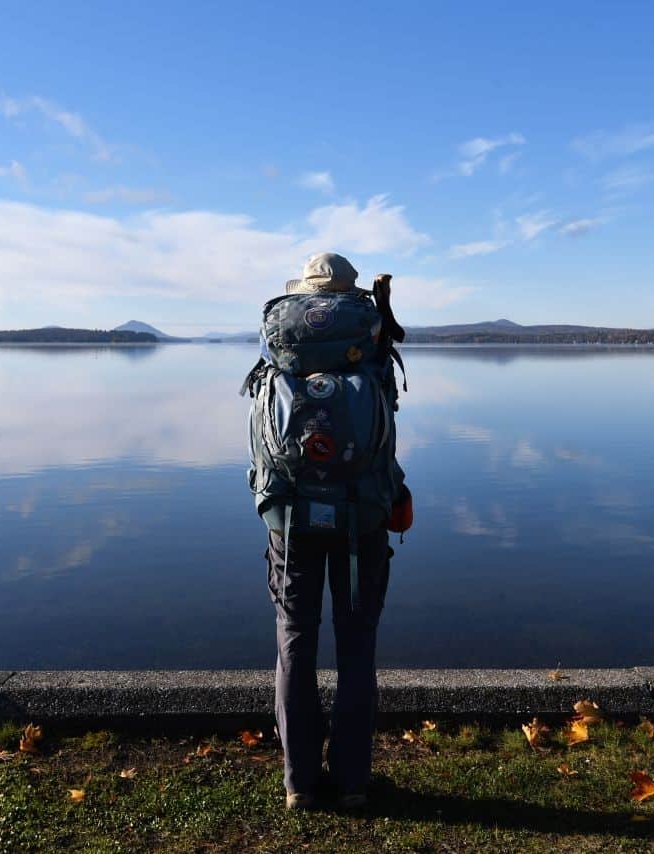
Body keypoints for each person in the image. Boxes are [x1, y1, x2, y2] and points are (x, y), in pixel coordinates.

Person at [243, 251, 412, 810]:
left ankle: (300, 785)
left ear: (303, 295)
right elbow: (385, 438)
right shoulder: (370, 344)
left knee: (295, 639)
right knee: (357, 644)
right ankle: (353, 783)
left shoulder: (281, 348)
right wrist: (397, 495)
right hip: (360, 517)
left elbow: (258, 442)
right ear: (349, 294)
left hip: (290, 520)